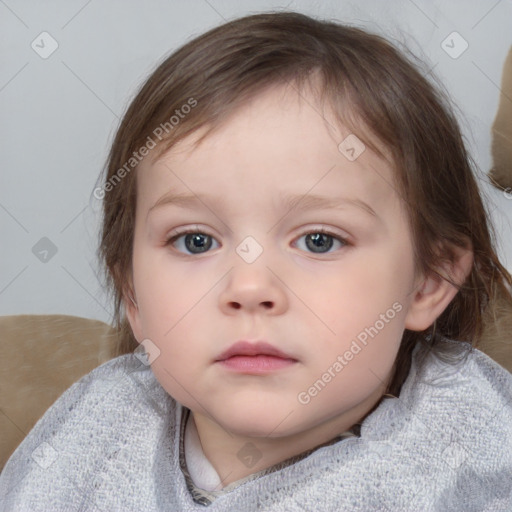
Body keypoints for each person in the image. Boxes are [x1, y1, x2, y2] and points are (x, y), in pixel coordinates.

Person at [1, 11, 511, 511]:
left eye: (318, 240)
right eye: (195, 241)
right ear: (132, 292)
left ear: (428, 281)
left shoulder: (470, 453)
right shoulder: (100, 430)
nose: (248, 286)